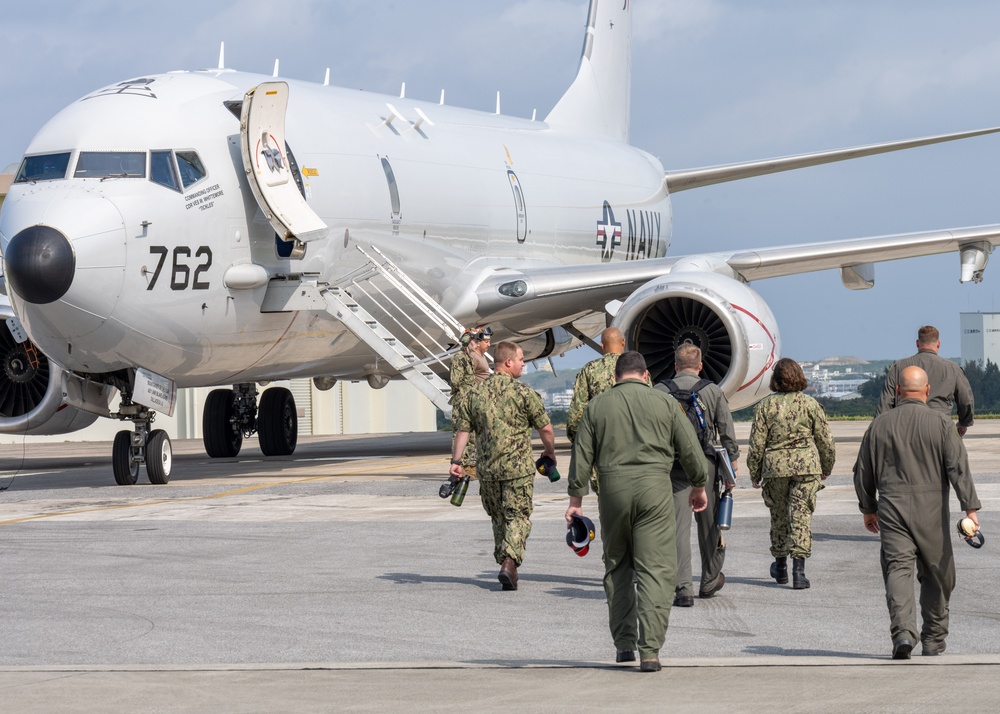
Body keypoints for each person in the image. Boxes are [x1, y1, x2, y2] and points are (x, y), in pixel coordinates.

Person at [566, 351, 709, 672]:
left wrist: (576, 500)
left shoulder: (597, 406)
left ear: (616, 377)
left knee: (618, 568)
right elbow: (690, 450)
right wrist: (699, 486)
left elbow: (581, 455)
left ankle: (624, 645)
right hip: (654, 491)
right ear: (646, 376)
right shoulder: (664, 403)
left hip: (612, 492)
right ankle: (650, 651)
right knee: (655, 570)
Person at [854, 365, 981, 660]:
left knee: (898, 570)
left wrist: (868, 508)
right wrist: (970, 510)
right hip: (932, 509)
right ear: (927, 391)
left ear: (897, 392)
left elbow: (862, 473)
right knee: (939, 574)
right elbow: (958, 469)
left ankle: (902, 634)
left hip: (892, 508)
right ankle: (934, 639)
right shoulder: (942, 424)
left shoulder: (879, 425)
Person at [450, 341, 555, 591]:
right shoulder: (523, 393)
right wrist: (549, 452)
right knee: (517, 517)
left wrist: (456, 462)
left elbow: (463, 430)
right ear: (508, 362)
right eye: (520, 359)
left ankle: (506, 565)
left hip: (488, 471)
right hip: (517, 470)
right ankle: (509, 562)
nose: (523, 364)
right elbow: (546, 428)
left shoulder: (474, 394)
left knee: (498, 517)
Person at [655, 343, 739, 606]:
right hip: (704, 464)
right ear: (700, 365)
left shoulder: (660, 391)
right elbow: (726, 430)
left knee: (678, 528)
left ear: (675, 364)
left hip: (673, 466)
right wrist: (732, 463)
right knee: (709, 525)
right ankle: (709, 579)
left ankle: (683, 589)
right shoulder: (712, 391)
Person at [748, 357, 835, 590]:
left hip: (776, 468)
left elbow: (757, 444)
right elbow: (825, 440)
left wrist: (754, 473)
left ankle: (780, 566)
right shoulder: (811, 404)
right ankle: (799, 571)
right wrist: (826, 467)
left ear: (775, 380)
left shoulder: (765, 406)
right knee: (801, 515)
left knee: (778, 515)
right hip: (806, 467)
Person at [876, 325, 974, 436]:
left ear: (917, 343)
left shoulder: (898, 367)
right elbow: (966, 400)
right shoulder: (953, 369)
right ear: (938, 344)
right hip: (940, 428)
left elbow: (885, 402)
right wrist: (964, 423)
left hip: (905, 429)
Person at [448, 327, 492, 477]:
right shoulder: (460, 358)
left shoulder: (473, 356)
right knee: (461, 433)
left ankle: (470, 467)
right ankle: (460, 466)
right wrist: (469, 388)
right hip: (463, 400)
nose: (478, 343)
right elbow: (455, 381)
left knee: (472, 435)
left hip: (472, 398)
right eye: (476, 340)